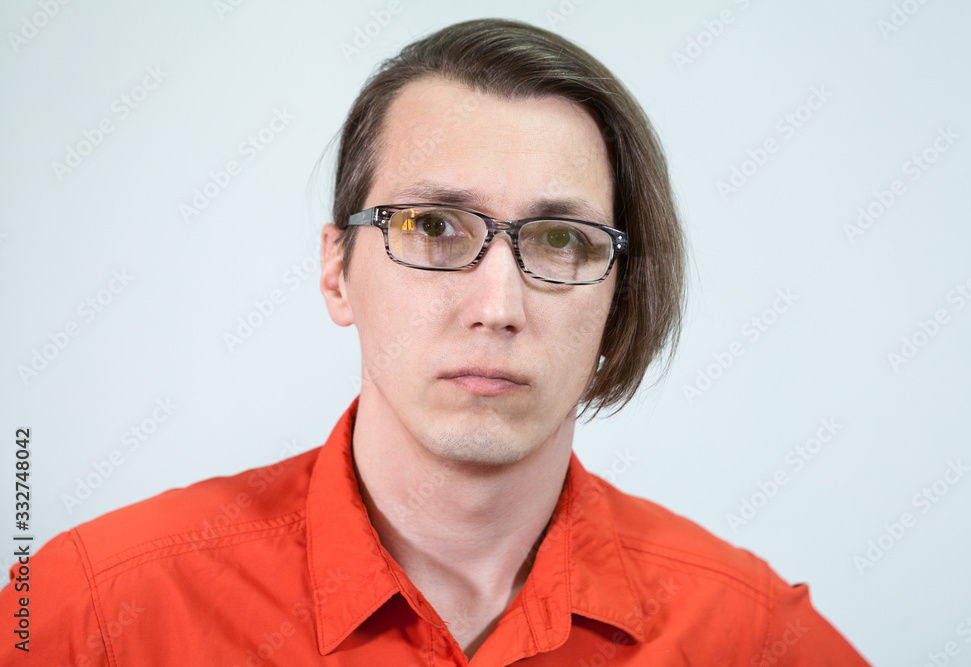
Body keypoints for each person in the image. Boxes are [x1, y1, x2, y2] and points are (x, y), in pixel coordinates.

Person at [2, 18, 870, 665]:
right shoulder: (85, 610)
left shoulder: (750, 633)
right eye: (431, 225)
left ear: (620, 296)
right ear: (337, 270)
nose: (498, 306)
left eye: (561, 240)